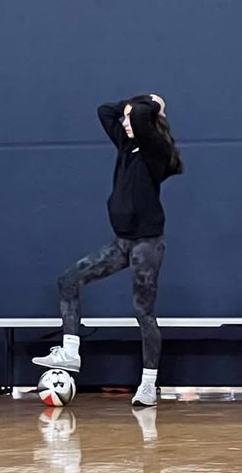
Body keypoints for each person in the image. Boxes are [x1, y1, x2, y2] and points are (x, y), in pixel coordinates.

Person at [33, 94, 183, 407]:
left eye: (131, 117)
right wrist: (135, 102)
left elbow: (141, 119)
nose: (125, 121)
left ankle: (148, 383)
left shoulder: (157, 149)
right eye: (126, 117)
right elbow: (104, 111)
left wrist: (152, 105)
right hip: (122, 242)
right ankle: (71, 351)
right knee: (68, 281)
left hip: (147, 245)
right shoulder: (127, 146)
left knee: (144, 313)